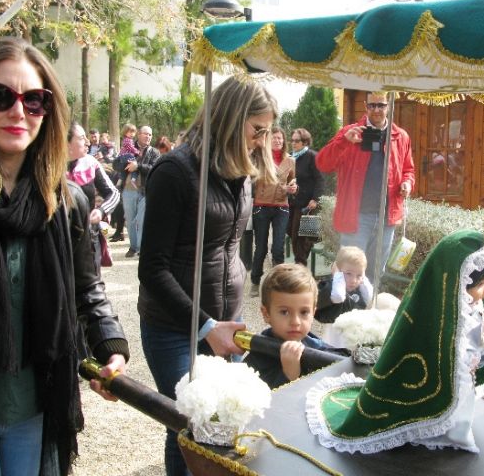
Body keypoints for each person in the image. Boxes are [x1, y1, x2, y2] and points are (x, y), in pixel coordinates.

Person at [0, 36, 129, 476]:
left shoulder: (66, 203)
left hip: (37, 406)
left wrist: (111, 346)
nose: (17, 111)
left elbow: (87, 288)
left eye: (34, 100)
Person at [138, 75, 277, 476]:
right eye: (257, 130)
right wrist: (204, 326)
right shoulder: (174, 171)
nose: (261, 141)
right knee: (190, 422)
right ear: (232, 120)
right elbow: (153, 269)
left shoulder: (239, 171)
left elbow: (229, 249)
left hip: (223, 321)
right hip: (174, 326)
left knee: (224, 424)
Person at [305, 230, 484, 454]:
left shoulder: (467, 313)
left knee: (458, 406)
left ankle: (452, 426)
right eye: (482, 284)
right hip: (428, 389)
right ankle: (447, 430)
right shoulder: (437, 318)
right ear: (457, 286)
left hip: (460, 387)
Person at [316, 91, 415, 281]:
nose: (376, 110)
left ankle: (368, 308)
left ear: (389, 105)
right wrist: (345, 140)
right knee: (349, 273)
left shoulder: (400, 136)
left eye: (381, 105)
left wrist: (407, 183)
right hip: (357, 217)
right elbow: (323, 163)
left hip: (387, 218)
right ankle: (345, 308)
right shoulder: (350, 132)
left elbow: (409, 169)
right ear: (365, 105)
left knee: (375, 274)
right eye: (372, 105)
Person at [244, 263, 342, 389]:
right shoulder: (256, 360)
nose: (295, 321)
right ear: (266, 313)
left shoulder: (317, 346)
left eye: (304, 312)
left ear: (313, 312)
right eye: (284, 312)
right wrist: (288, 376)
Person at [66, 122, 120, 272]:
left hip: (89, 238)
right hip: (58, 241)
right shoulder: (48, 166)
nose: (88, 142)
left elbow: (114, 193)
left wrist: (101, 211)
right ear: (67, 142)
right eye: (82, 138)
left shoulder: (91, 163)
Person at [249, 127, 296, 297]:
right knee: (260, 247)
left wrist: (293, 187)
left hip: (281, 207)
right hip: (261, 206)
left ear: (284, 142)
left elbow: (293, 181)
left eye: (280, 139)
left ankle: (278, 285)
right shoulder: (259, 158)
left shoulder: (290, 161)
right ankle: (255, 282)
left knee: (278, 248)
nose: (278, 141)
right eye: (274, 138)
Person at [114, 124, 160, 258]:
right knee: (130, 219)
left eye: (150, 134)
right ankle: (133, 247)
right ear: (138, 134)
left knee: (141, 220)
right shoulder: (126, 147)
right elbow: (115, 165)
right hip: (128, 190)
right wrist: (124, 164)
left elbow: (154, 168)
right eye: (145, 134)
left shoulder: (154, 152)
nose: (148, 137)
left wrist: (138, 166)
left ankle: (140, 248)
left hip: (145, 190)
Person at [314, 246, 373, 344]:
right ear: (339, 272)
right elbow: (338, 296)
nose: (353, 280)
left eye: (359, 275)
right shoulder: (331, 288)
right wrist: (337, 275)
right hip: (333, 337)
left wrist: (363, 278)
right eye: (348, 274)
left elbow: (369, 296)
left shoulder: (358, 290)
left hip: (352, 337)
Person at [287, 128, 325, 265]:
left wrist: (315, 199)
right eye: (292, 140)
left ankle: (300, 264)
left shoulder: (312, 156)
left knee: (304, 236)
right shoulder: (290, 157)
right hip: (291, 202)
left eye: (297, 141)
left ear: (305, 142)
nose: (293, 143)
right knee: (292, 232)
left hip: (308, 205)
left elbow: (320, 179)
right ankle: (301, 262)